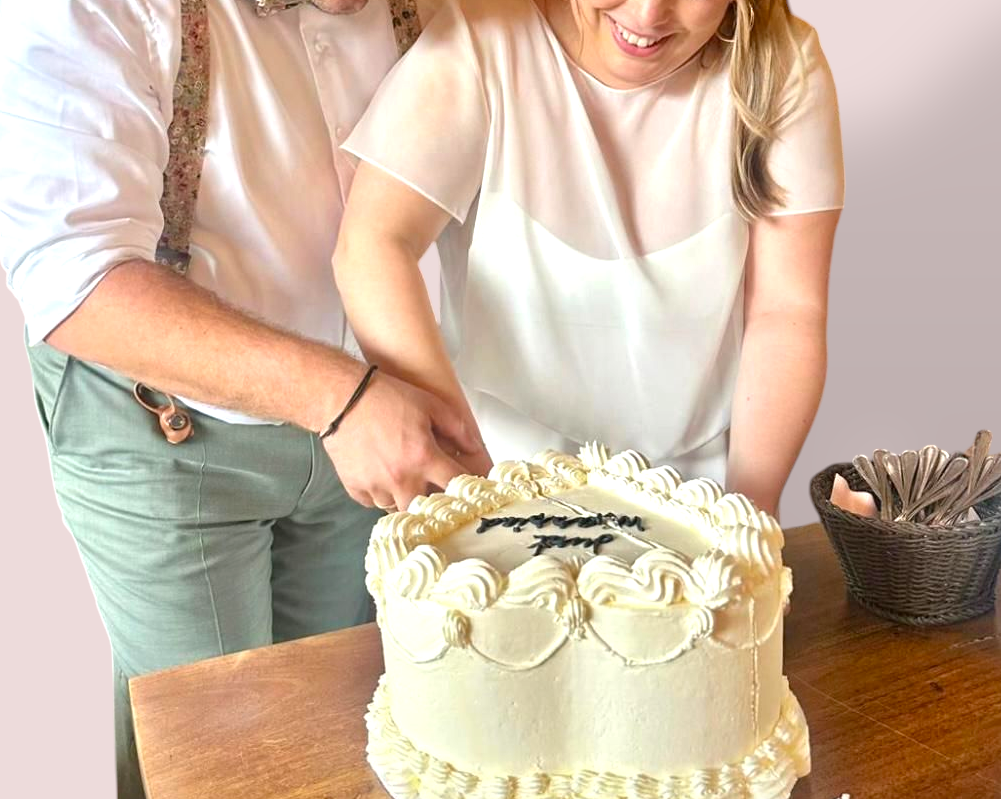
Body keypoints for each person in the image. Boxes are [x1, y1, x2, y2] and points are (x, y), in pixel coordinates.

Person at [0, 1, 480, 799]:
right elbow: (69, 280)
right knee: (213, 762)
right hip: (156, 421)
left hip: (365, 416)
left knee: (345, 726)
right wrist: (337, 398)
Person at [334, 0, 844, 517]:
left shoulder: (783, 64)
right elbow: (374, 246)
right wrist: (461, 470)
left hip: (697, 497)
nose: (647, 15)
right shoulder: (484, 39)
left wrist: (749, 510)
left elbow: (785, 311)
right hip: (495, 478)